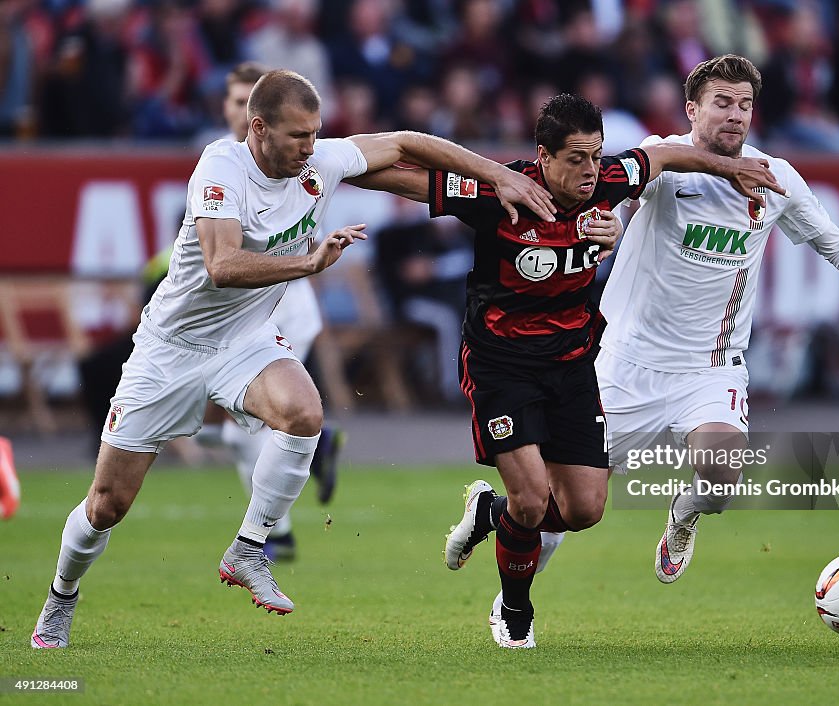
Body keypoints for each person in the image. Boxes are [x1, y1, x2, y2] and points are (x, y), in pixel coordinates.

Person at [30, 68, 557, 649]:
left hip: (244, 340)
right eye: (298, 136)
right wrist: (308, 264)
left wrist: (498, 176)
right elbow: (222, 265)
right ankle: (62, 595)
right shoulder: (220, 168)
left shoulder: (317, 162)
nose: (311, 148)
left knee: (305, 412)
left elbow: (406, 146)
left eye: (316, 134)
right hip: (170, 350)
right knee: (108, 505)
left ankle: (249, 548)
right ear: (258, 129)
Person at [349, 92, 785, 648]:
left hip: (573, 366)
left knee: (582, 510)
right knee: (531, 502)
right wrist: (326, 166)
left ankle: (489, 511)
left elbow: (670, 157)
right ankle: (514, 609)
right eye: (575, 158)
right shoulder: (498, 192)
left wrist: (734, 167)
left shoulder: (607, 183)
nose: (588, 171)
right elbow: (395, 176)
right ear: (543, 156)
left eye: (595, 155)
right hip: (500, 365)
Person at [561, 54, 839, 588]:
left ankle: (683, 513)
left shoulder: (774, 177)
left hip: (710, 367)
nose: (736, 115)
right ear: (691, 108)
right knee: (572, 507)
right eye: (722, 103)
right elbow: (611, 195)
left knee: (721, 478)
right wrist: (602, 225)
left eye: (745, 105)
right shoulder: (660, 159)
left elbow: (833, 242)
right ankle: (510, 585)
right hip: (628, 363)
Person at [207, 61, 341, 561]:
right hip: (236, 312)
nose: (241, 110)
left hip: (284, 308)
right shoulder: (221, 163)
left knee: (248, 430)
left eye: (249, 99)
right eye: (235, 100)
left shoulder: (296, 161)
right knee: (226, 433)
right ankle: (318, 445)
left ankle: (273, 536)